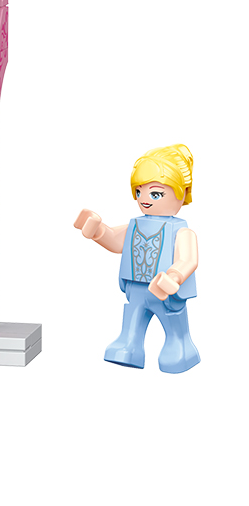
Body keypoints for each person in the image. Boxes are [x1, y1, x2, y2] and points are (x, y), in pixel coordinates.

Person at [74, 144, 199, 373]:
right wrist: (97, 230)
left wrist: (174, 276)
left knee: (174, 326)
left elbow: (189, 259)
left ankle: (181, 349)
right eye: (139, 192)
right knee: (132, 320)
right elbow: (115, 240)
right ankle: (129, 345)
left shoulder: (182, 231)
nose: (145, 199)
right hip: (136, 288)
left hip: (165, 292)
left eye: (155, 193)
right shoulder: (136, 225)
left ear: (182, 193)